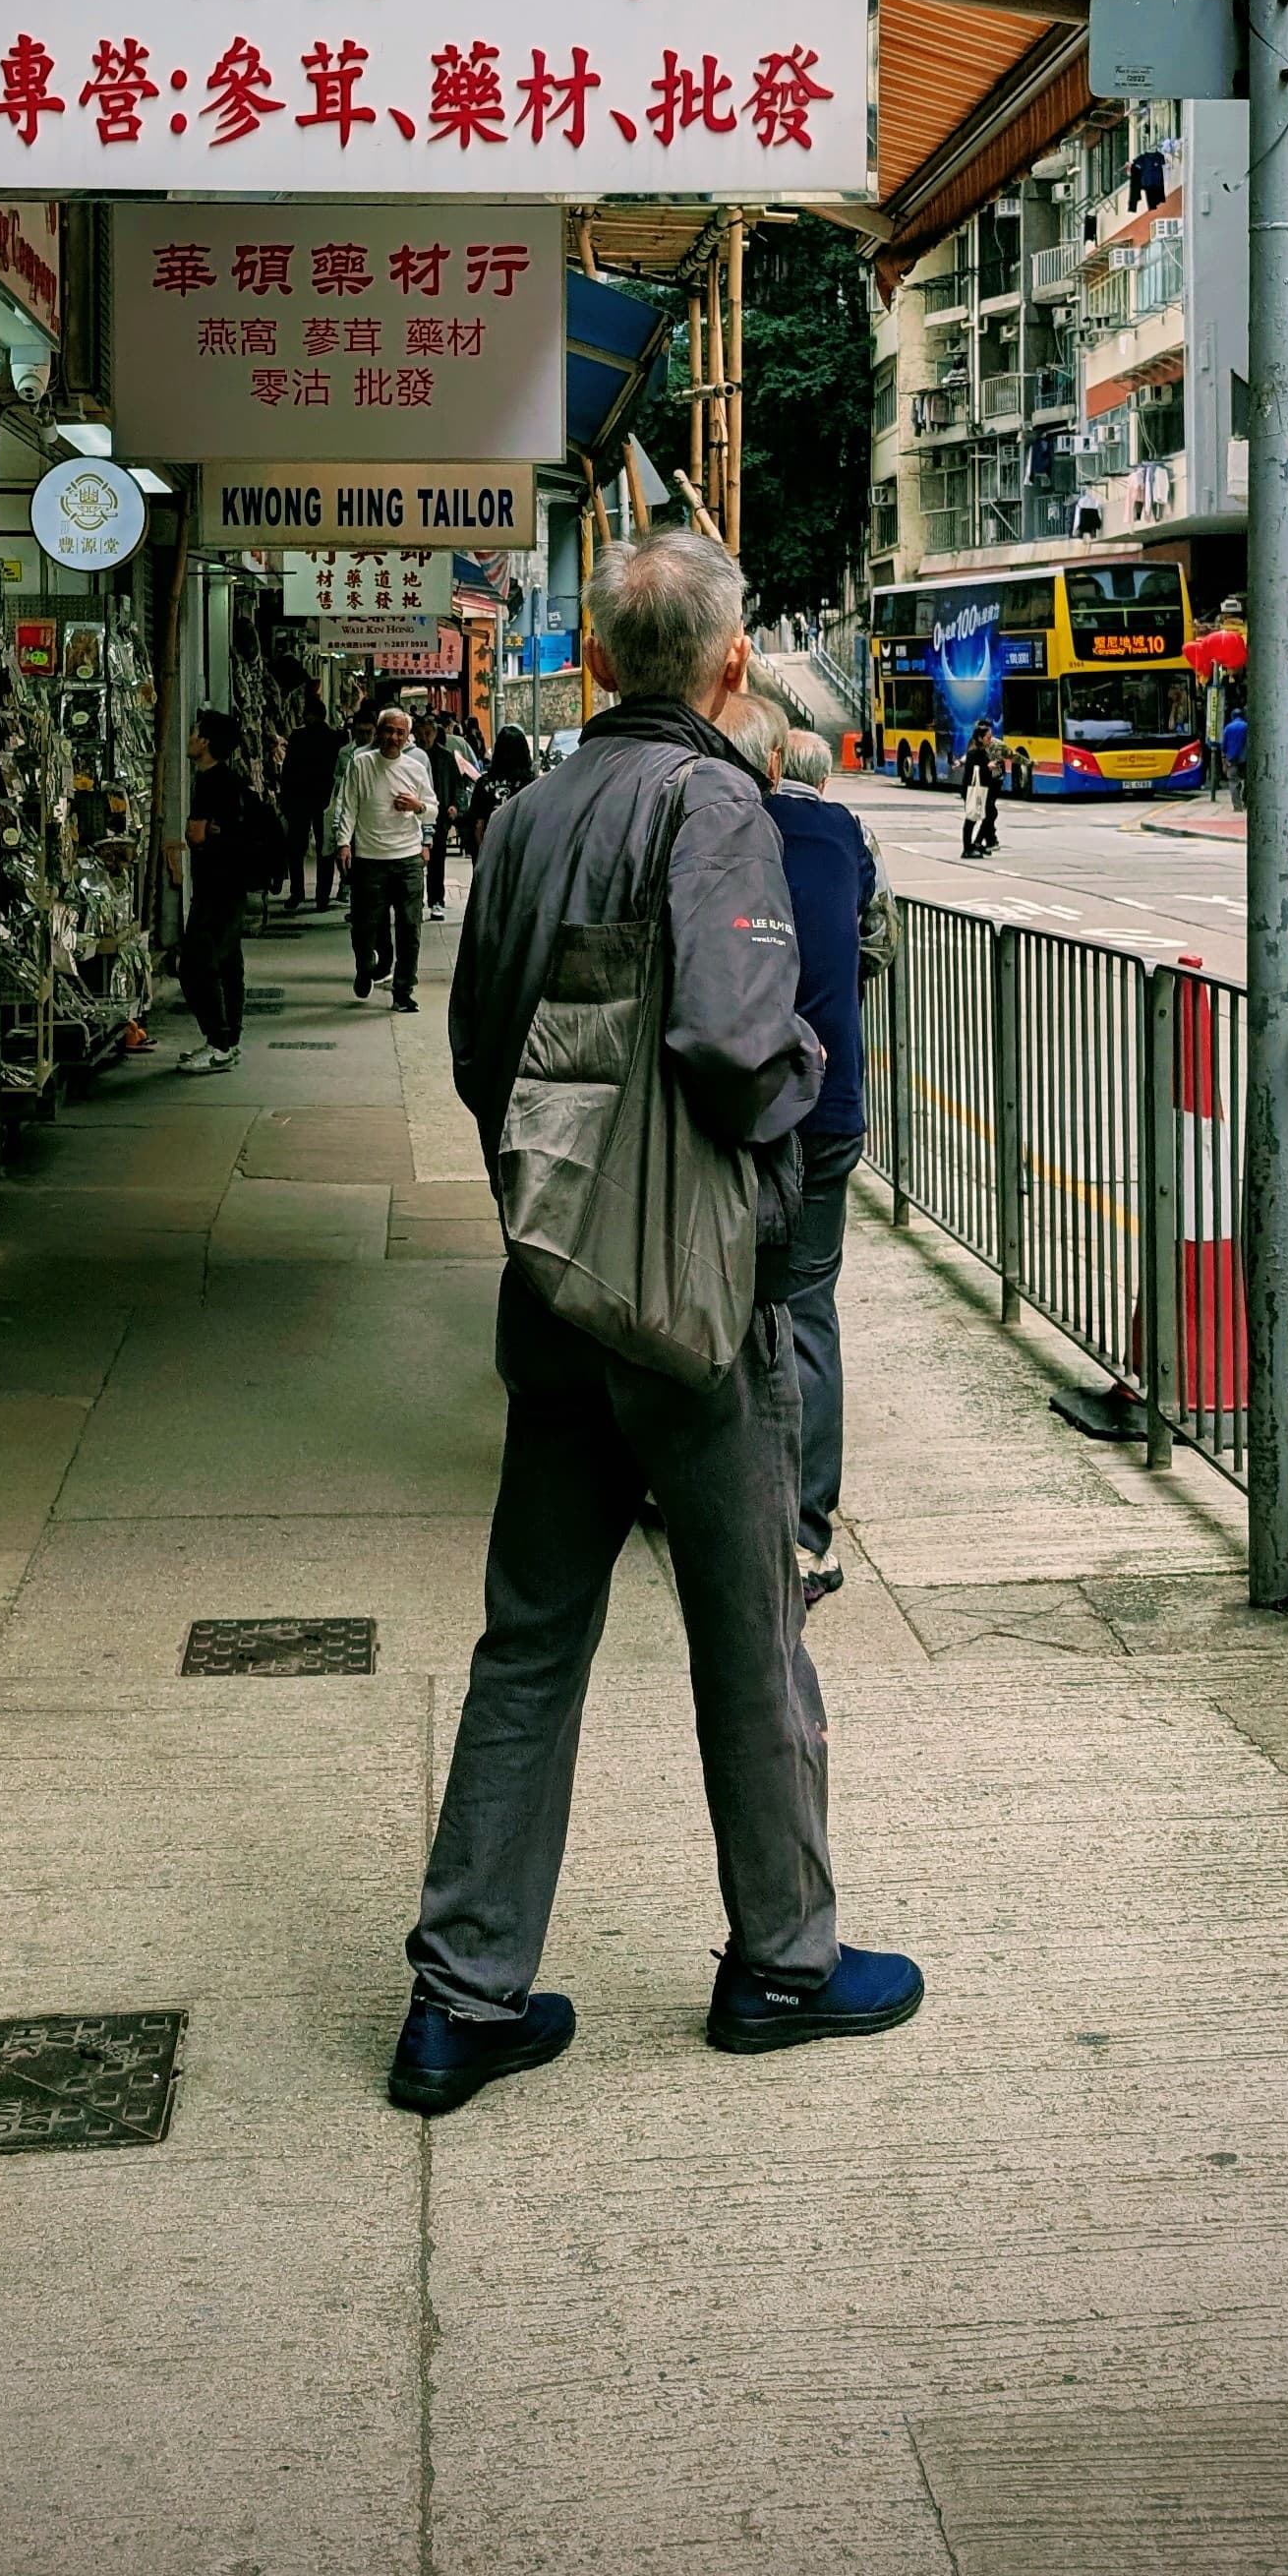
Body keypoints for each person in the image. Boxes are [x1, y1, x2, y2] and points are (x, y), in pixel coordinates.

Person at [387, 526, 924, 2121]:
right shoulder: (717, 809)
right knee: (747, 1636)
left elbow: (482, 1051)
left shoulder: (531, 813)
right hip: (693, 1306)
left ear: (605, 659)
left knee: (529, 1638)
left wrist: (554, 1213)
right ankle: (779, 1960)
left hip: (553, 1291)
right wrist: (791, 1143)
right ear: (728, 663)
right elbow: (740, 1043)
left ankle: (460, 1997)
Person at [725, 710, 876, 1617]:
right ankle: (804, 1529)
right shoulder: (845, 831)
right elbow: (874, 944)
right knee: (808, 1309)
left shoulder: (711, 827)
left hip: (737, 1104)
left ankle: (719, 1496)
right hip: (829, 1106)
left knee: (714, 1291)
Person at [165, 708, 251, 1077]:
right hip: (230, 886)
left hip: (216, 888)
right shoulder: (229, 780)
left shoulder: (211, 782)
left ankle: (218, 1043)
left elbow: (195, 834)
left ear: (206, 742)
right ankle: (227, 1041)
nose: (190, 736)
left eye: (195, 731)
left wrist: (196, 835)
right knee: (228, 964)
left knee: (197, 967)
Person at [334, 703, 436, 1011]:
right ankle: (365, 965)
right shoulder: (360, 764)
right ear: (378, 734)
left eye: (400, 733)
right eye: (389, 731)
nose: (393, 737)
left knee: (410, 927)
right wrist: (343, 842)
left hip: (407, 860)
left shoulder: (416, 769)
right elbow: (347, 805)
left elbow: (432, 809)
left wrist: (417, 806)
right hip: (369, 860)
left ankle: (403, 990)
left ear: (407, 738)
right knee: (365, 925)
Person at [278, 689, 344, 913]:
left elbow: (287, 771)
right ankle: (322, 897)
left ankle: (297, 892)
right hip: (325, 800)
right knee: (324, 850)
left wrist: (284, 798)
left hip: (299, 800)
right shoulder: (335, 738)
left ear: (309, 715)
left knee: (297, 848)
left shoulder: (298, 737)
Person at [464, 721, 536, 859]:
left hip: (490, 852)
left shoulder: (484, 783)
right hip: (522, 854)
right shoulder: (531, 784)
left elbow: (477, 824)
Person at [426, 715, 470, 921]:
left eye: (429, 733)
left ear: (435, 733)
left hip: (439, 815)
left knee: (437, 860)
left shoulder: (446, 757)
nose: (425, 737)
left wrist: (454, 805)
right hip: (415, 815)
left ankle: (436, 899)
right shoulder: (413, 756)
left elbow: (457, 785)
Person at [960, 720, 1001, 861]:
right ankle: (967, 848)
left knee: (989, 814)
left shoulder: (982, 751)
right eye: (988, 737)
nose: (990, 740)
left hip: (982, 789)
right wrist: (988, 767)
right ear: (980, 738)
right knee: (971, 818)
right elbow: (973, 770)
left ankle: (975, 843)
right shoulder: (974, 752)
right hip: (973, 790)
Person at [1222, 700, 1249, 810]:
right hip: (1246, 759)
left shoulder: (1228, 728)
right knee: (1248, 781)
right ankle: (1246, 801)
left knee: (1233, 782)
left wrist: (1224, 759)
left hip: (1232, 760)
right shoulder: (1247, 726)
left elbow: (1223, 745)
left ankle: (1237, 807)